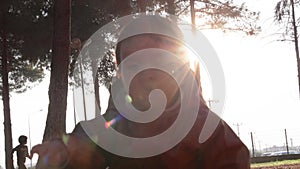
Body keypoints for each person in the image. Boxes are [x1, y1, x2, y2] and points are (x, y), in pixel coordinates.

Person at [32, 15, 250, 169]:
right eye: (134, 66)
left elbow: (231, 158)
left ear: (180, 68)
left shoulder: (202, 125)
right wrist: (64, 152)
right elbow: (86, 143)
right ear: (121, 77)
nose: (147, 74)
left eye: (159, 62)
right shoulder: (117, 125)